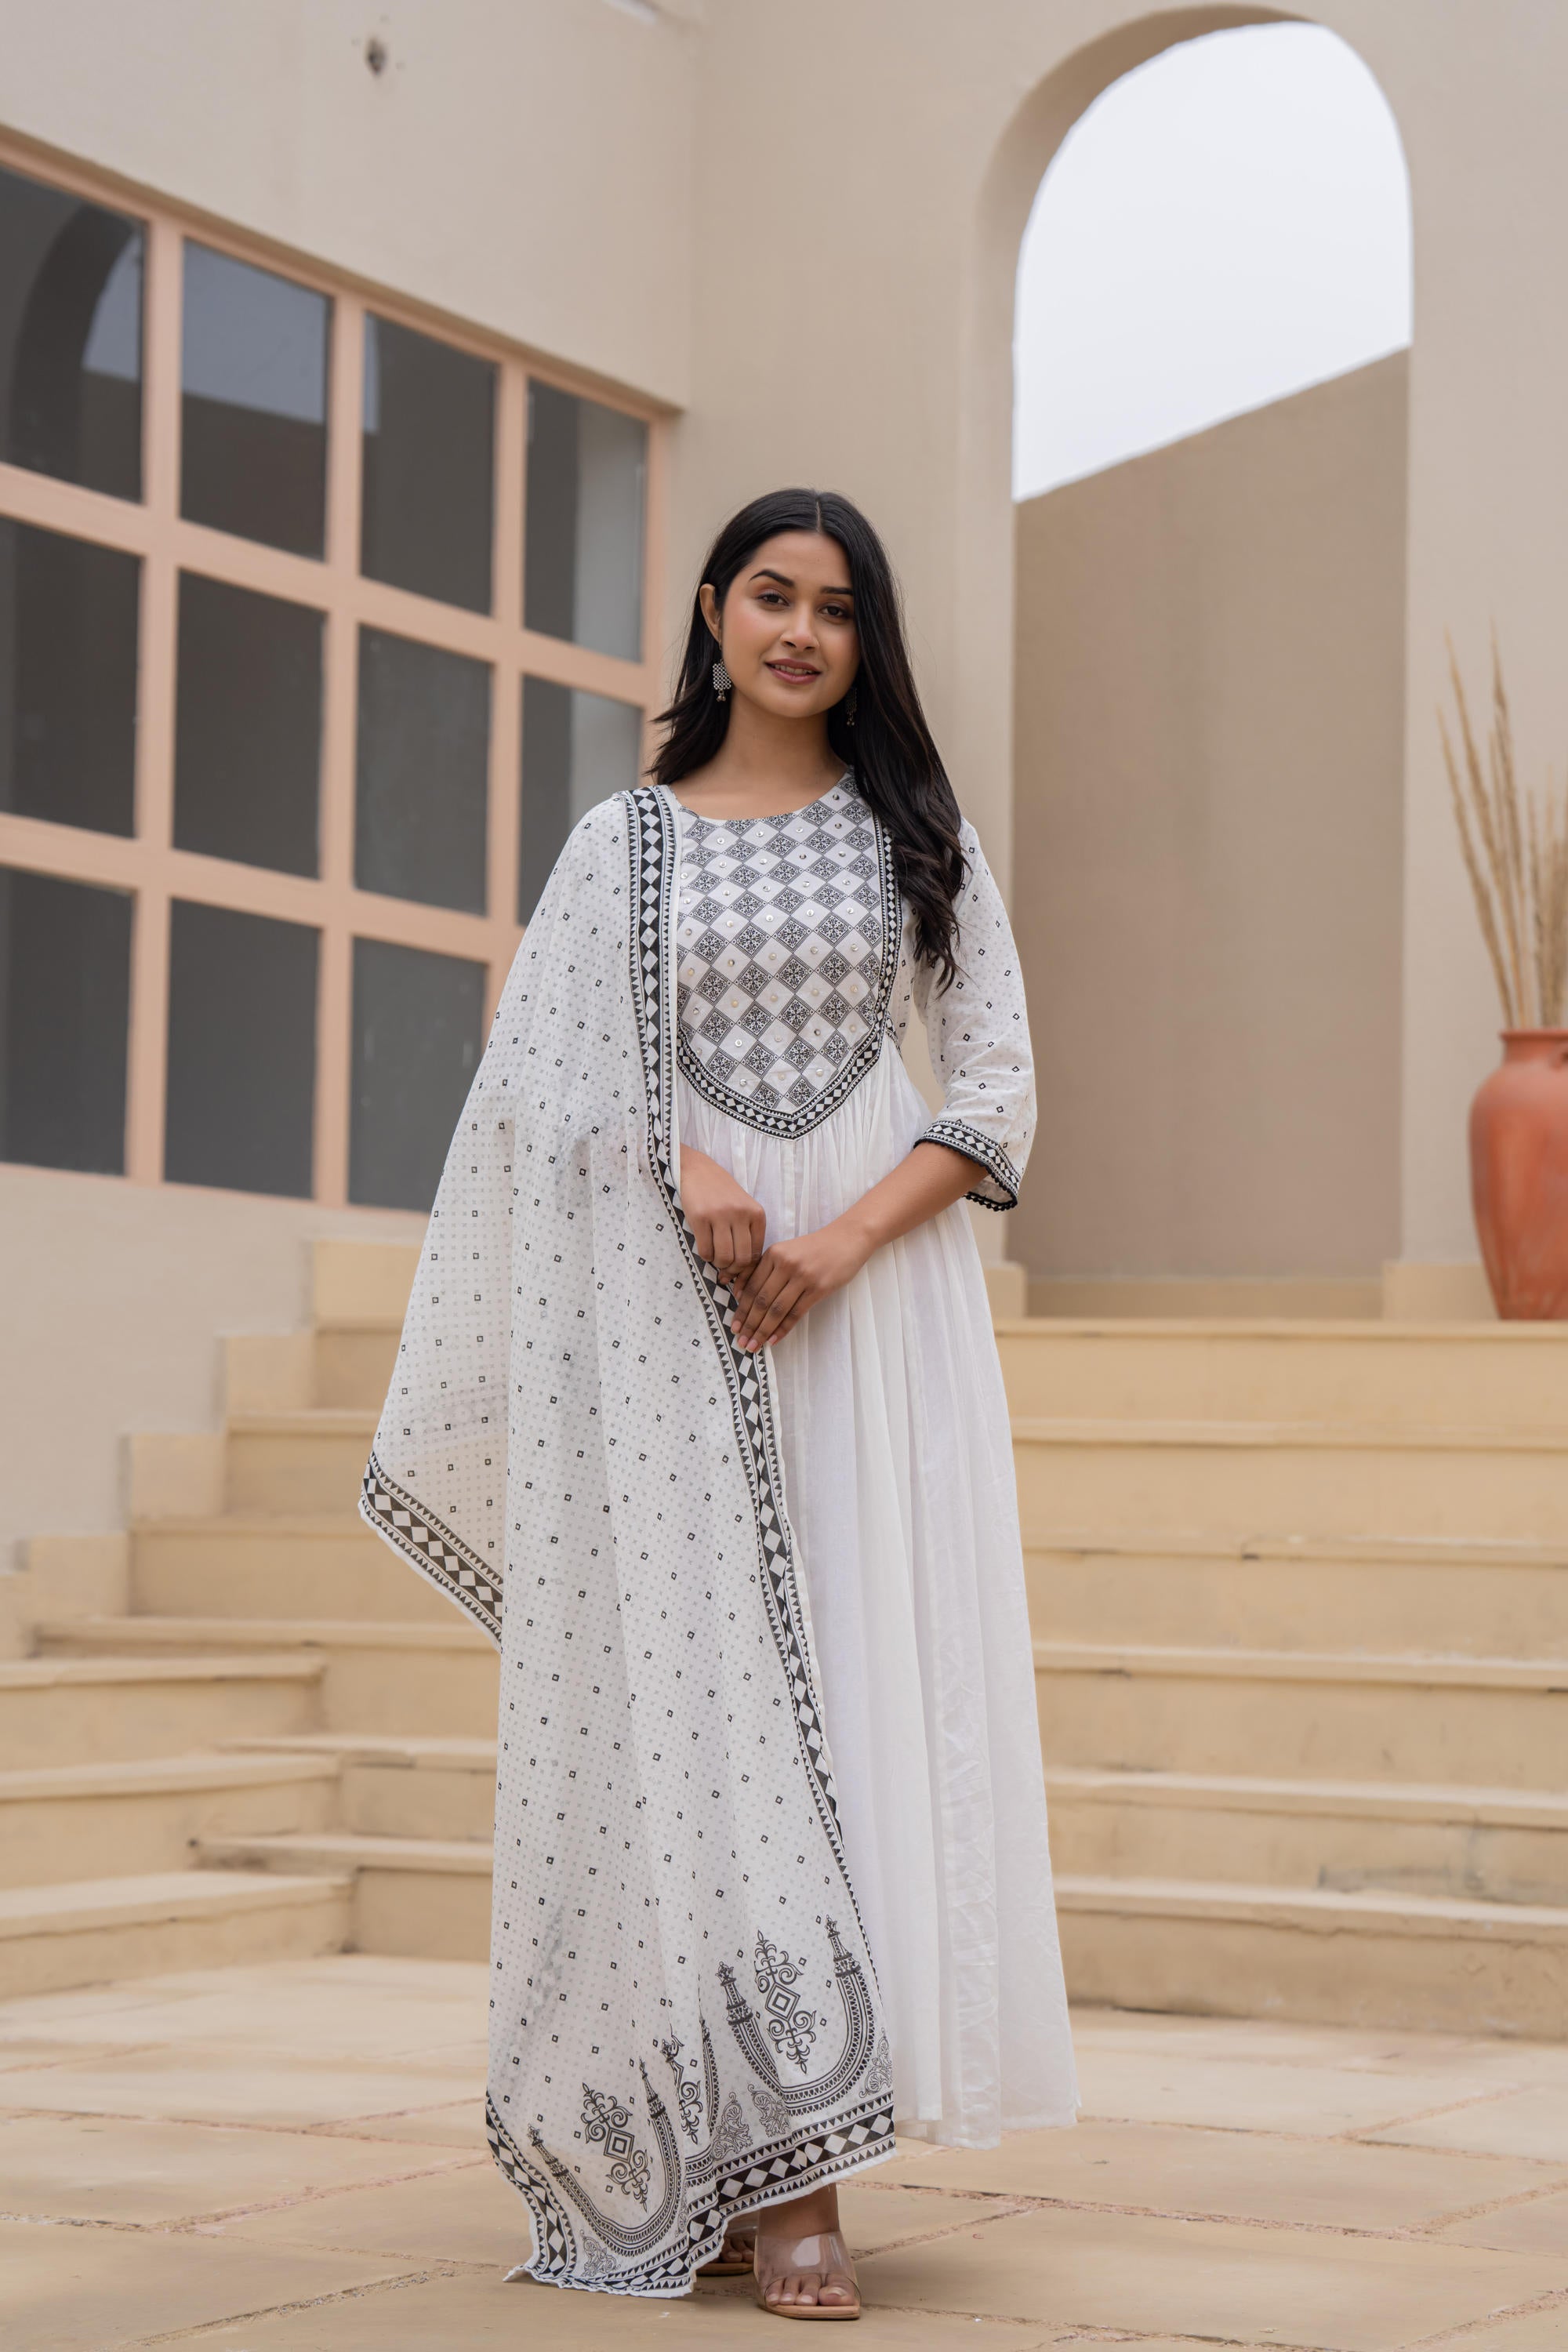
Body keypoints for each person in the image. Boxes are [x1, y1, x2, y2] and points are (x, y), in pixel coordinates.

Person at [361, 487, 1078, 2319]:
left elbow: (992, 1090)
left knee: (850, 1701)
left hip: (875, 1323)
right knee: (705, 1719)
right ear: (710, 609)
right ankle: (754, 2173)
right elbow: (542, 1081)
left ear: (865, 641)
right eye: (771, 595)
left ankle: (819, 2166)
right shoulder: (622, 846)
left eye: (837, 609)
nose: (799, 633)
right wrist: (675, 1163)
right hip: (666, 1331)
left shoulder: (913, 835)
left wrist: (838, 1244)